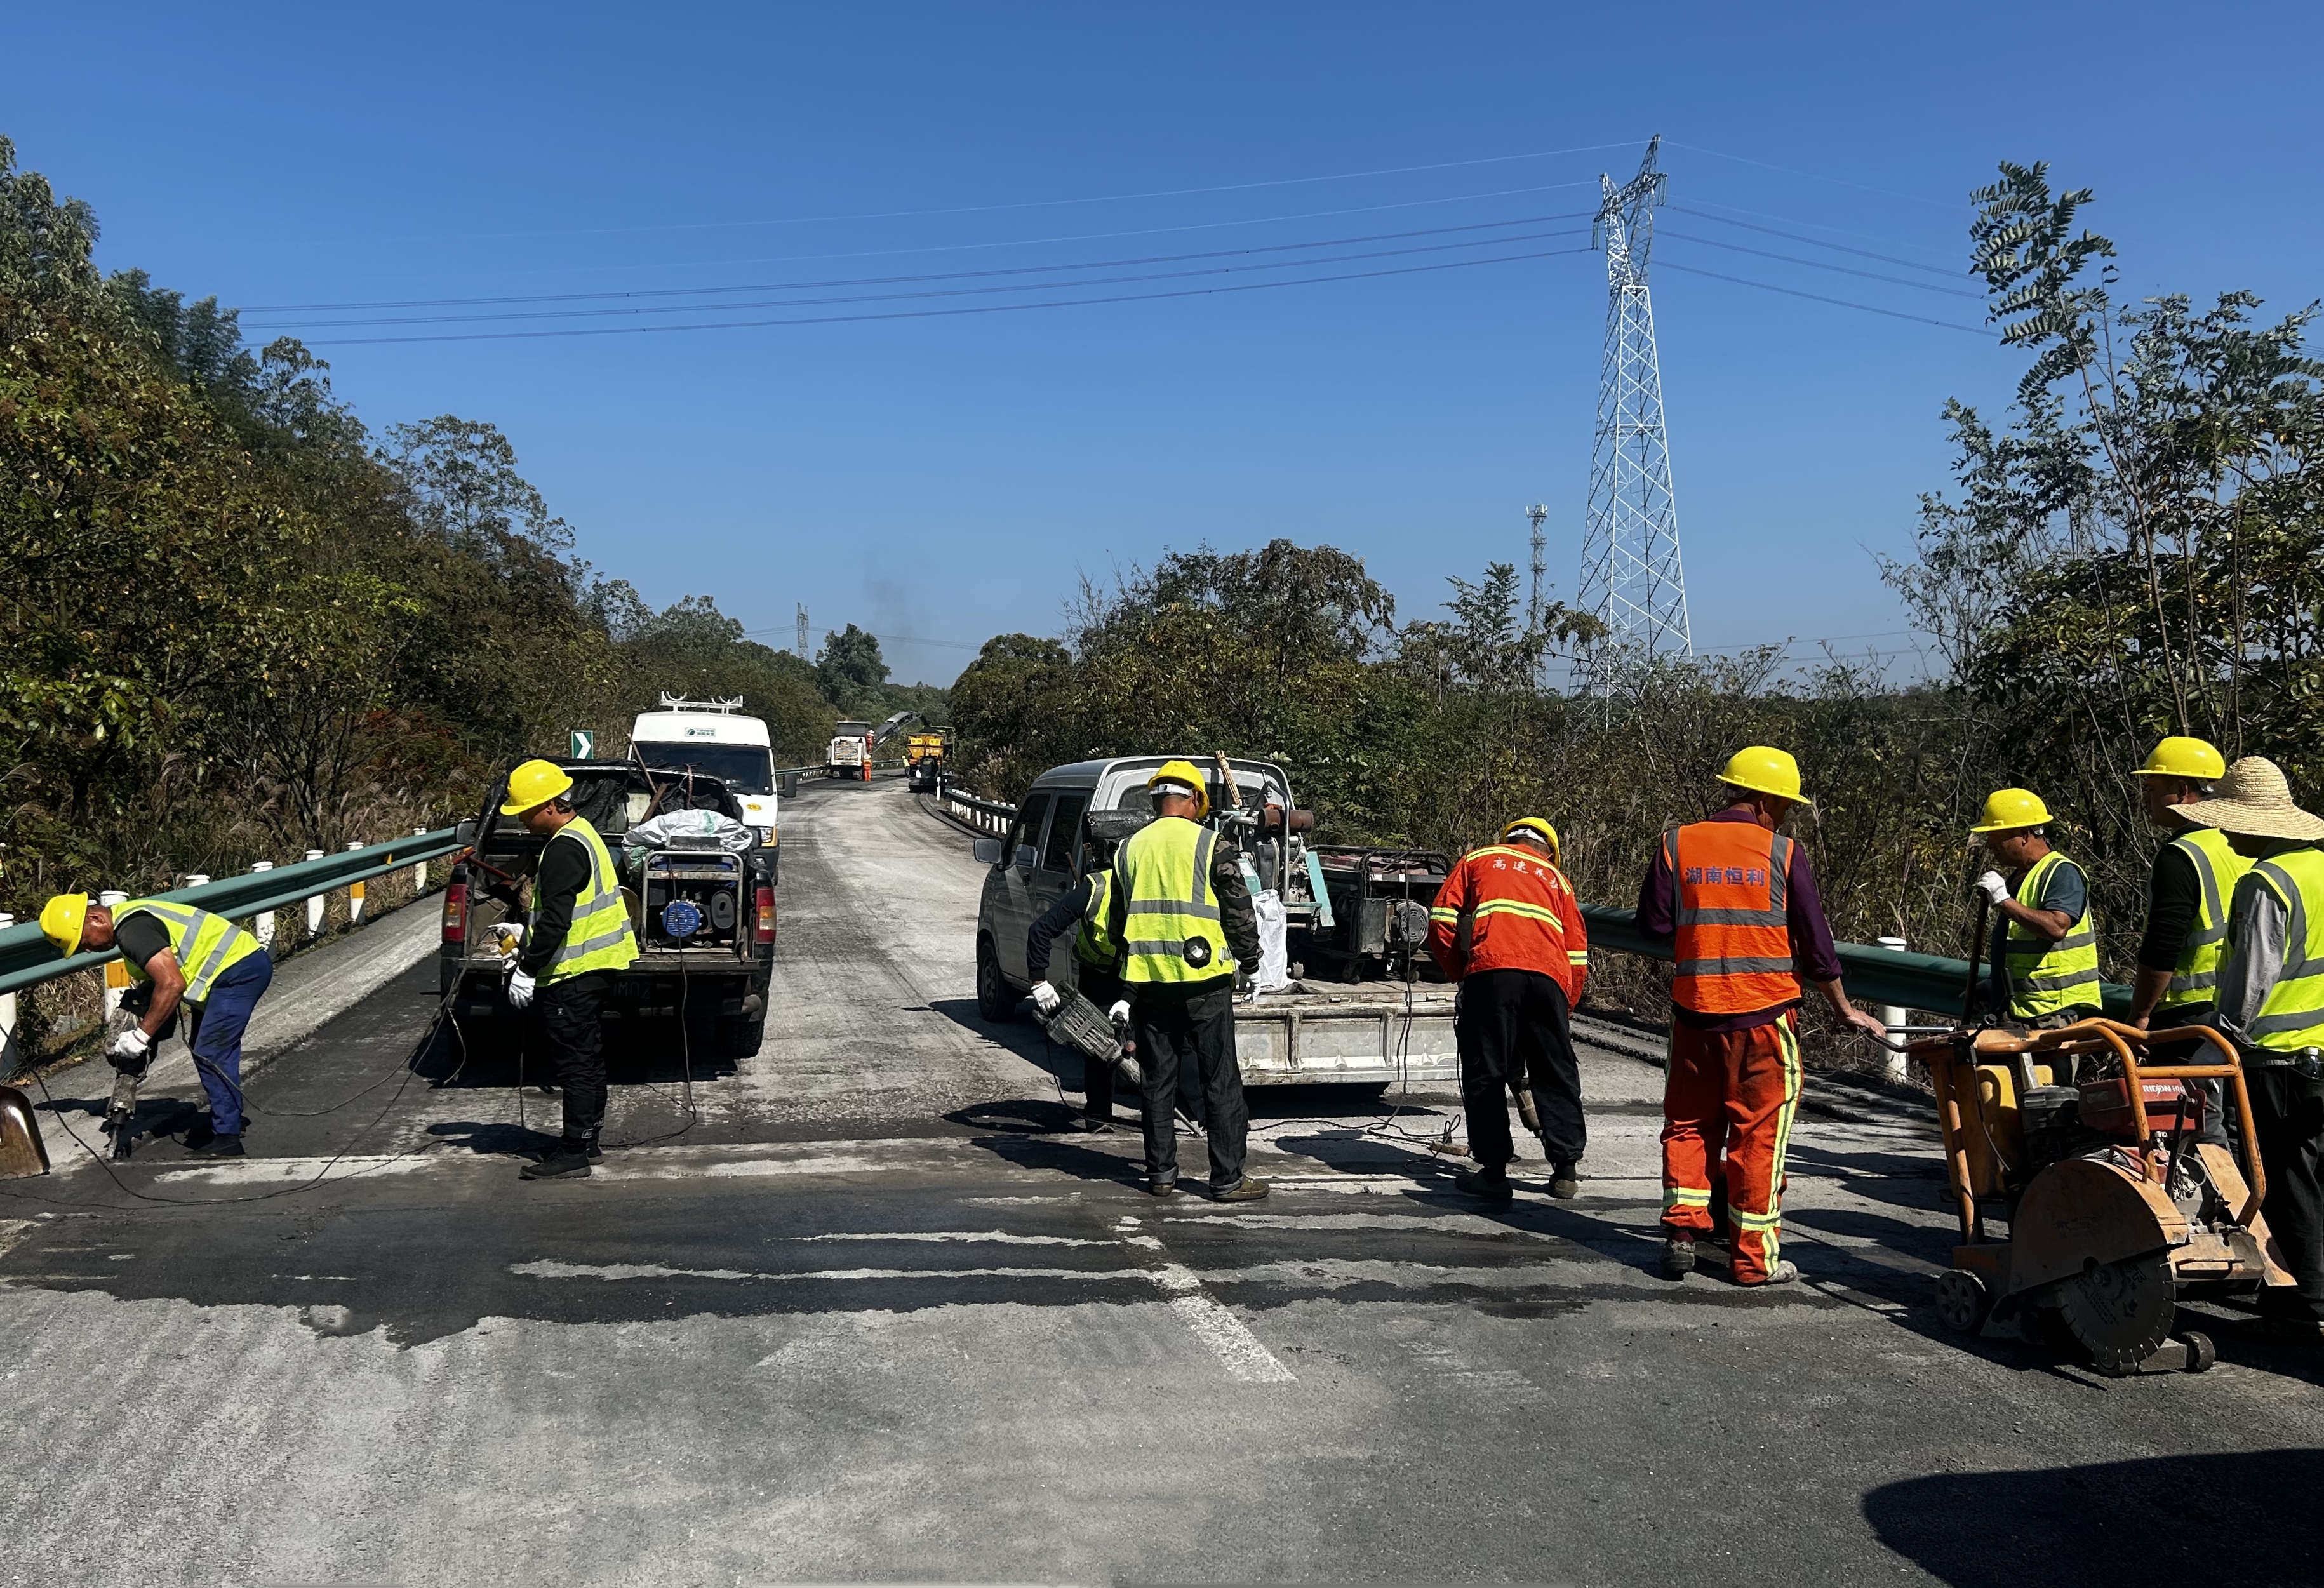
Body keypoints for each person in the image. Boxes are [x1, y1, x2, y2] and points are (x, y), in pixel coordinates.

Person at [1635, 747, 1889, 1286]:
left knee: (1688, 1125)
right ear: (1765, 799)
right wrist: (1844, 1009)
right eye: (1786, 806)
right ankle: (1754, 1260)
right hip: (1764, 1019)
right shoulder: (1783, 853)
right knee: (1758, 1136)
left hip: (1693, 1015)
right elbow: (1817, 947)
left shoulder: (1676, 843)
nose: (1786, 817)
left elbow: (1653, 927)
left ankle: (1682, 1233)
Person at [2184, 756, 2324, 1328]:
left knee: (2287, 1180)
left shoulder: (2266, 882)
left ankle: (2304, 1303)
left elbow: (2252, 980)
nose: (2225, 832)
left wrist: (2218, 1040)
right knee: (2316, 1173)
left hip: (2279, 1056)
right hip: (2318, 1049)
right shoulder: (2319, 867)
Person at [1104, 759, 1267, 1201]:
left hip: (1151, 984)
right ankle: (1227, 1178)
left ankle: (1161, 1174)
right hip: (1205, 983)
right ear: (1194, 798)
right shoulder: (1211, 844)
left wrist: (1130, 984)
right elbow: (1238, 912)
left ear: (1156, 799)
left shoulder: (1128, 849)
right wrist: (1251, 964)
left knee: (1158, 1081)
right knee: (1219, 1079)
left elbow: (1118, 924)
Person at [1426, 817, 1591, 1206]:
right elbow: (1577, 952)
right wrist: (1565, 1006)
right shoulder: (1558, 880)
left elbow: (1441, 920)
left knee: (1487, 1071)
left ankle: (1494, 1173)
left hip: (1492, 973)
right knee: (1555, 1072)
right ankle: (1565, 1171)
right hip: (1549, 981)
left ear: (1509, 840)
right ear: (1549, 851)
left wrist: (1460, 972)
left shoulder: (1478, 859)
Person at [40, 889, 272, 1159]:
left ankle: (228, 1137)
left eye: (84, 942)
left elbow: (172, 984)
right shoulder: (130, 921)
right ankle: (226, 1122)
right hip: (230, 971)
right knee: (206, 1048)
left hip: (237, 971)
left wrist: (141, 1036)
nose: (88, 949)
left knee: (212, 1051)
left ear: (95, 919)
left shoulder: (132, 931)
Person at [498, 758, 639, 1181]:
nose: (522, 820)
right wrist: (525, 930)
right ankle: (588, 1141)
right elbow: (566, 912)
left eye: (526, 811)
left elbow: (558, 922)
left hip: (571, 975)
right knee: (589, 1060)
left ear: (548, 806)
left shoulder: (562, 849)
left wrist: (527, 967)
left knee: (576, 1065)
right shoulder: (584, 833)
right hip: (595, 968)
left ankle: (573, 1152)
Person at [2123, 736, 2244, 1142]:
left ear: (2183, 790)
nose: (2146, 800)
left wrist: (2141, 1015)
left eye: (2152, 789)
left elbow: (2163, 944)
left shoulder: (2181, 855)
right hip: (2244, 1010)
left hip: (2188, 1019)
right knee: (2240, 1128)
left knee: (2193, 1130)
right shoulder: (2246, 843)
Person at [1970, 788, 2102, 1032]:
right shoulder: (2020, 877)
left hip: (2051, 1013)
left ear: (2023, 835)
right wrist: (1996, 984)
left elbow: (2056, 927)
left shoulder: (2062, 873)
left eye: (1996, 837)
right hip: (2021, 1008)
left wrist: (2003, 901)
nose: (1989, 845)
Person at [1028, 834, 1126, 1132]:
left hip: (1139, 975)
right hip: (1099, 977)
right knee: (1098, 1047)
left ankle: (1160, 1120)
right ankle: (1097, 1116)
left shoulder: (1155, 886)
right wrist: (1039, 982)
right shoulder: (1096, 888)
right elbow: (1041, 930)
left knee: (1149, 1048)